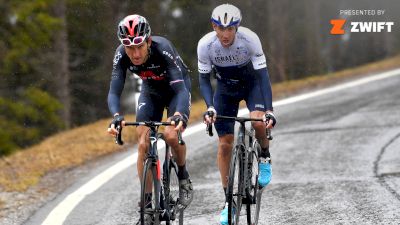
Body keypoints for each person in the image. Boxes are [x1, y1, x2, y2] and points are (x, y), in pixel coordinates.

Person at [107, 14, 193, 224]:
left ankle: (183, 176)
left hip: (176, 90)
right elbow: (114, 91)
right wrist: (116, 117)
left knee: (172, 135)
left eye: (139, 46)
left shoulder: (163, 48)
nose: (135, 54)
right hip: (151, 91)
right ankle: (146, 205)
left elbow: (181, 90)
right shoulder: (121, 55)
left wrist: (178, 114)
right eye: (129, 48)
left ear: (148, 40)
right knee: (143, 143)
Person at [197, 4, 277, 224]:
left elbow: (263, 77)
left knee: (259, 123)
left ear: (237, 27)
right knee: (225, 143)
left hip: (252, 85)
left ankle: (264, 155)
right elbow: (204, 80)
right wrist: (209, 107)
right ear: (214, 26)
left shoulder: (250, 40)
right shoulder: (206, 45)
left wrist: (269, 110)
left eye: (230, 29)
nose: (225, 34)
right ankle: (227, 202)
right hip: (225, 90)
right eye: (220, 29)